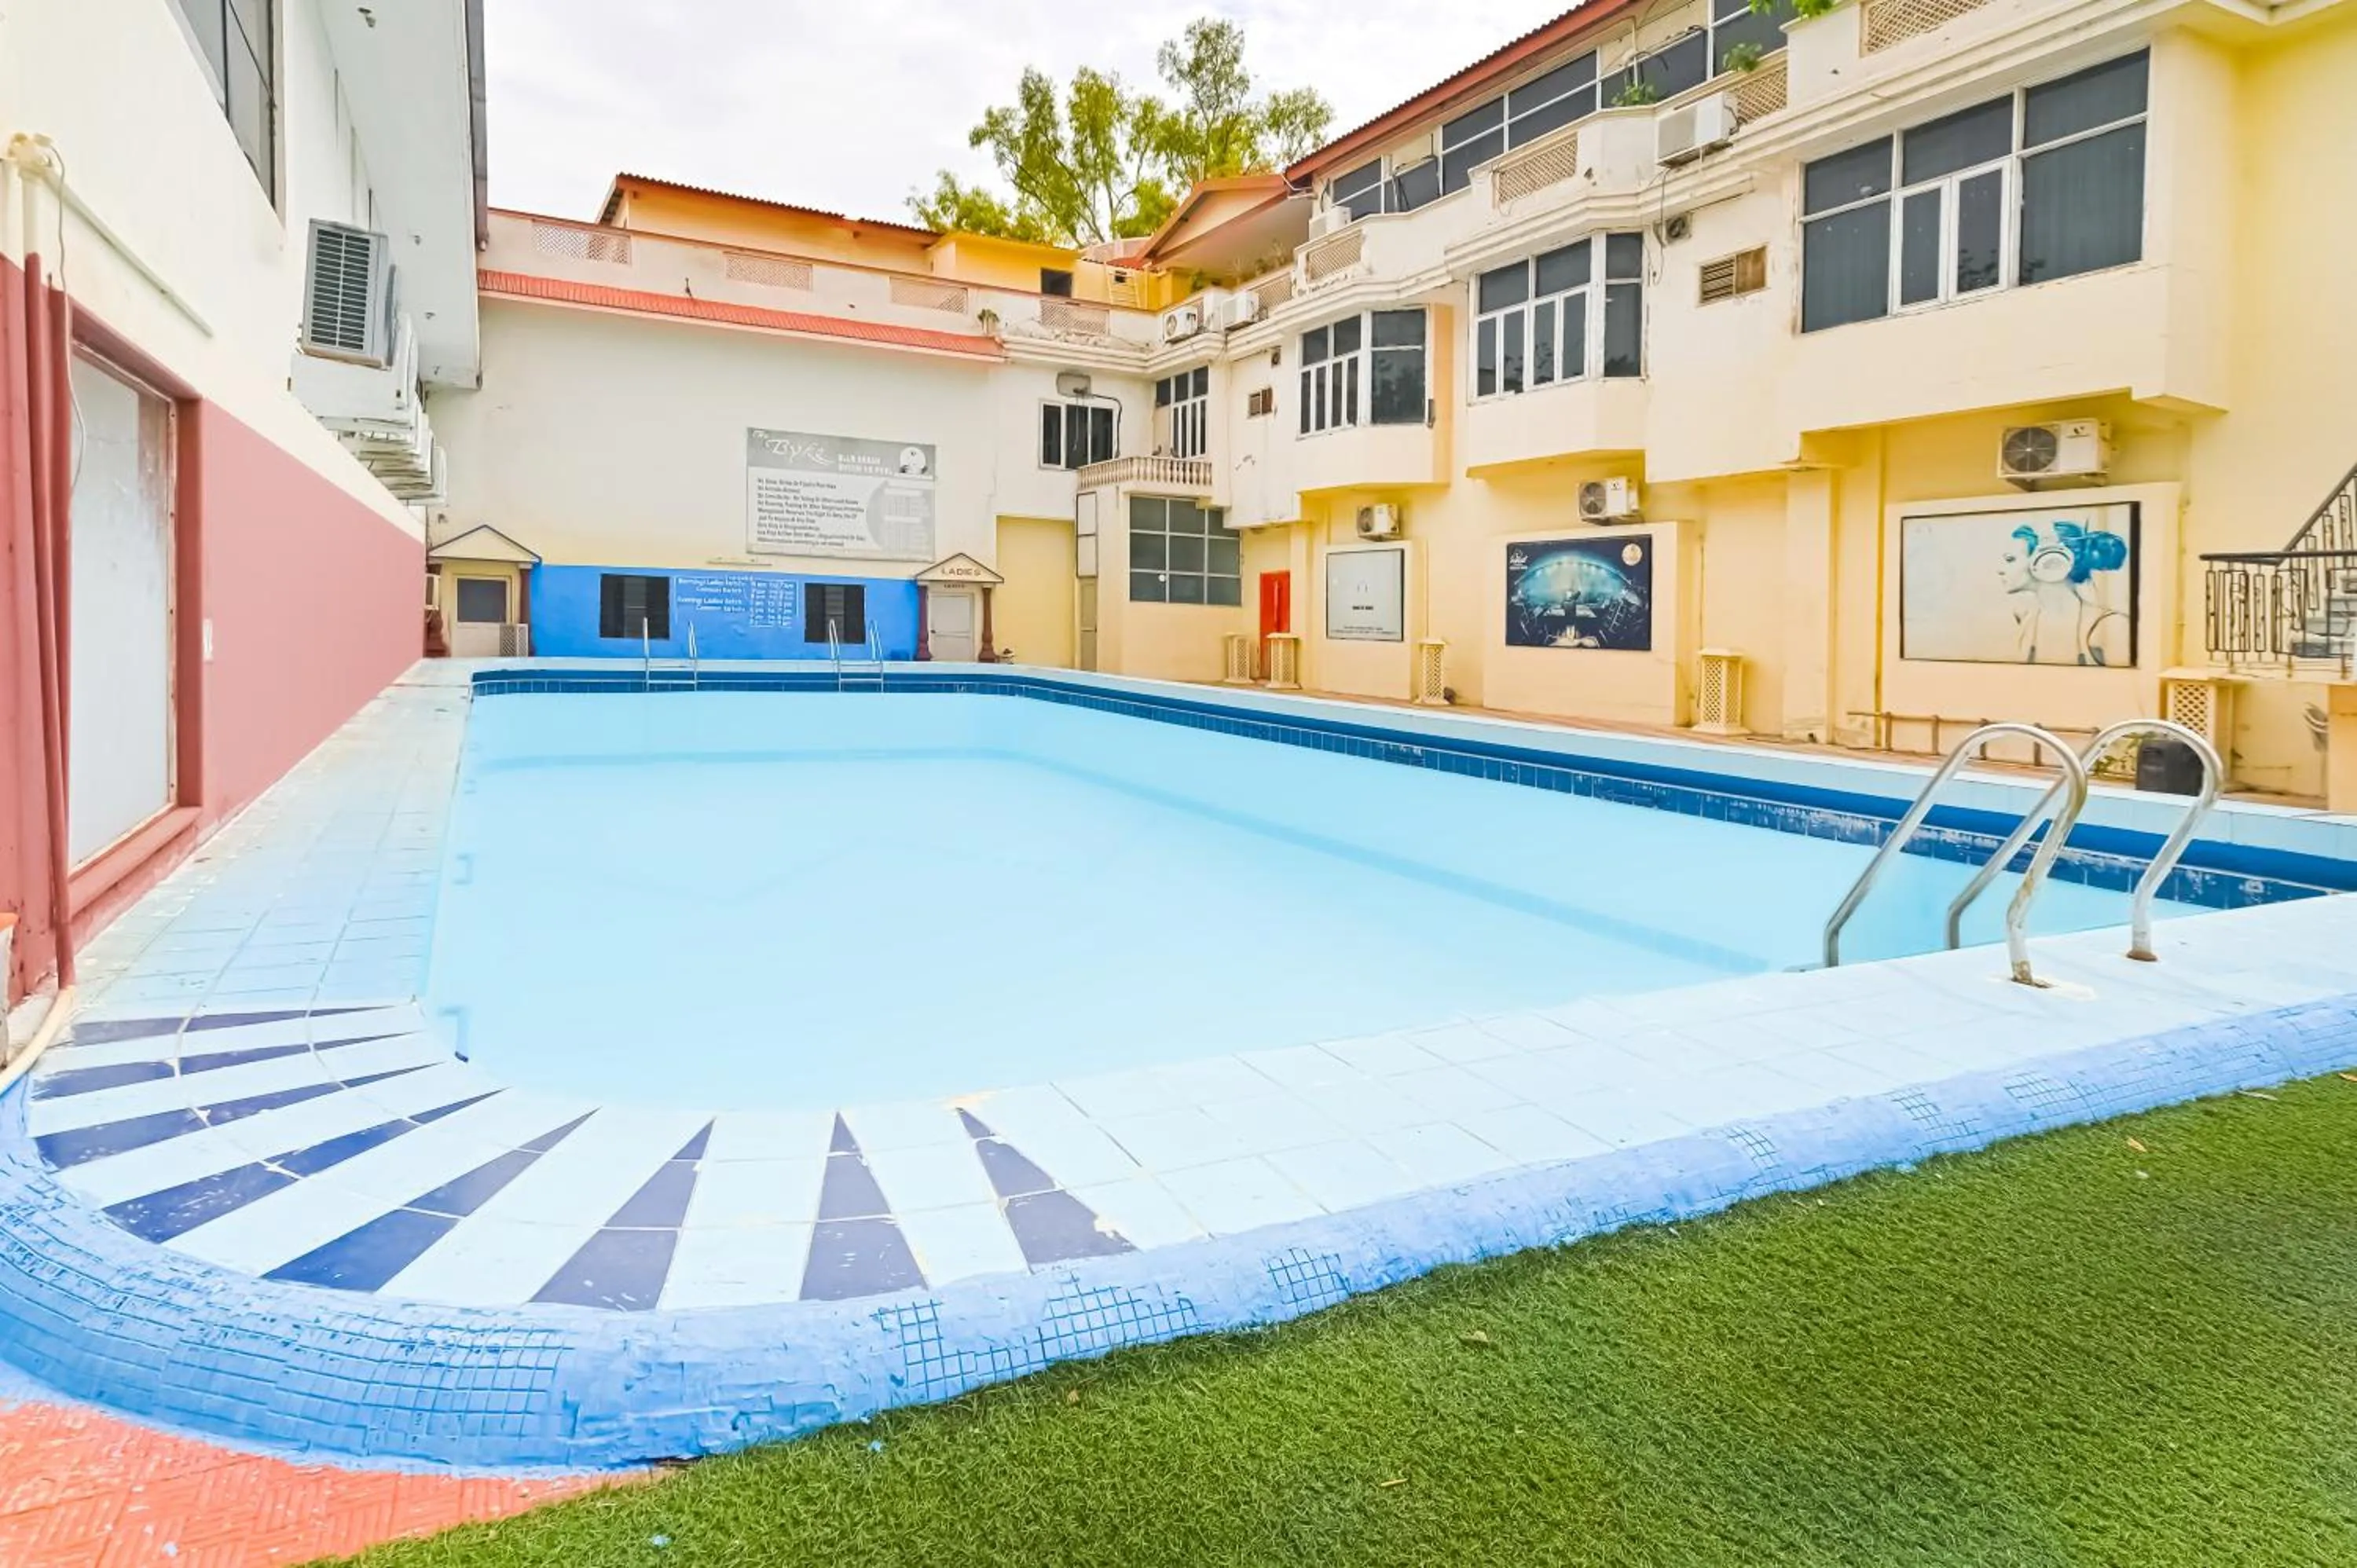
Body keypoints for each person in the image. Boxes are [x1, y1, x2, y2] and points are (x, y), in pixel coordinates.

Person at [1998, 519, 2130, 665]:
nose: (2000, 570)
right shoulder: (2025, 618)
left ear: (2050, 561)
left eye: (2010, 560)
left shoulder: (2109, 626)